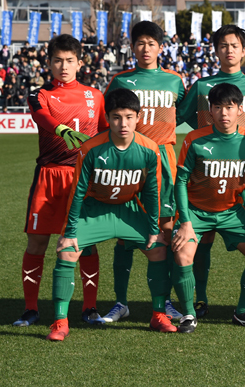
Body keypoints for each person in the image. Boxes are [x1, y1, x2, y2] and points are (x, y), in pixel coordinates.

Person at [45, 88, 175, 341]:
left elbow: (151, 192)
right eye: (116, 117)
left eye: (128, 116)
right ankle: (60, 321)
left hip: (129, 208)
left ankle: (159, 314)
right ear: (108, 118)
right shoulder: (92, 148)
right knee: (67, 250)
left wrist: (152, 228)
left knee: (159, 248)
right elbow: (77, 191)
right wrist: (68, 232)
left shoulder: (150, 149)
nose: (122, 123)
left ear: (139, 117)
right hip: (95, 209)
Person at [179, 24, 245, 320]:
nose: (229, 50)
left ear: (244, 51)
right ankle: (199, 300)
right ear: (216, 50)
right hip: (205, 174)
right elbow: (176, 118)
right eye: (223, 45)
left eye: (234, 45)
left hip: (244, 177)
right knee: (202, 240)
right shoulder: (202, 86)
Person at [13, 34, 108, 328]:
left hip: (83, 178)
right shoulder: (38, 94)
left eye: (69, 61)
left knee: (87, 245)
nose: (63, 66)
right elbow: (41, 116)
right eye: (57, 60)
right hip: (49, 176)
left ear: (80, 62)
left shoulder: (95, 95)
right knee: (37, 242)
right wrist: (63, 129)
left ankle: (90, 308)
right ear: (49, 63)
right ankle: (31, 309)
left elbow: (105, 132)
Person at [102, 21, 188, 323]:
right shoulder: (120, 81)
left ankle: (164, 302)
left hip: (163, 160)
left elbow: (187, 114)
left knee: (166, 230)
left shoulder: (175, 81)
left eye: (152, 43)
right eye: (140, 42)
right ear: (132, 47)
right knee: (125, 234)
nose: (146, 48)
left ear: (161, 47)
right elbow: (106, 122)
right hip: (129, 161)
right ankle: (120, 302)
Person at [170, 83, 245, 332]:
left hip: (232, 212)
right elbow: (180, 181)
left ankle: (242, 311)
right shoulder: (194, 139)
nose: (224, 113)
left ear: (240, 109)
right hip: (195, 212)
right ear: (210, 111)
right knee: (183, 255)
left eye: (229, 107)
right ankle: (188, 315)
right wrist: (185, 221)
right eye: (217, 108)